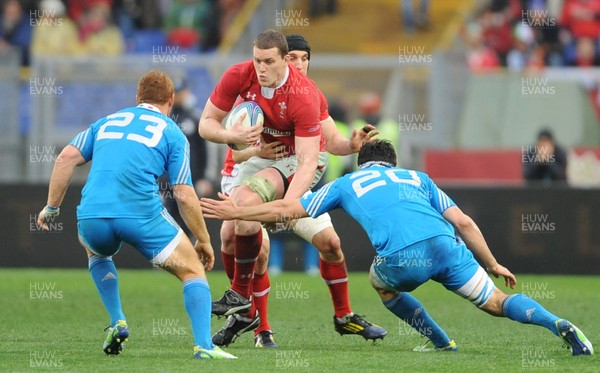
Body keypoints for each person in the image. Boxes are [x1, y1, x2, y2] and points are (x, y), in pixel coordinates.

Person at [201, 139, 594, 356]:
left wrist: (240, 209)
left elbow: (289, 208)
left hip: (404, 258)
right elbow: (464, 221)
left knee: (380, 281)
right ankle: (559, 325)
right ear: (392, 163)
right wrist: (492, 262)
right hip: (446, 245)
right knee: (495, 302)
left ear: (363, 164)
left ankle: (440, 341)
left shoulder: (347, 183)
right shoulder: (418, 177)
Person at [198, 30, 384, 348]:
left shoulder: (307, 95)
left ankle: (343, 317)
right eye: (259, 60)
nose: (298, 64)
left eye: (303, 58)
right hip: (250, 173)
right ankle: (254, 320)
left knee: (331, 243)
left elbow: (317, 153)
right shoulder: (242, 81)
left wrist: (350, 146)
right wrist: (237, 139)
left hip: (292, 175)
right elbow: (210, 128)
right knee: (243, 237)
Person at [36, 70, 236, 360]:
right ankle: (204, 346)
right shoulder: (172, 131)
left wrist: (51, 207)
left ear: (137, 98)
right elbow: (182, 192)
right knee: (192, 270)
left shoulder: (105, 122)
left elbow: (66, 157)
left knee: (96, 253)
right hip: (141, 216)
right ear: (170, 100)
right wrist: (203, 239)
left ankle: (117, 319)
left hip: (92, 216)